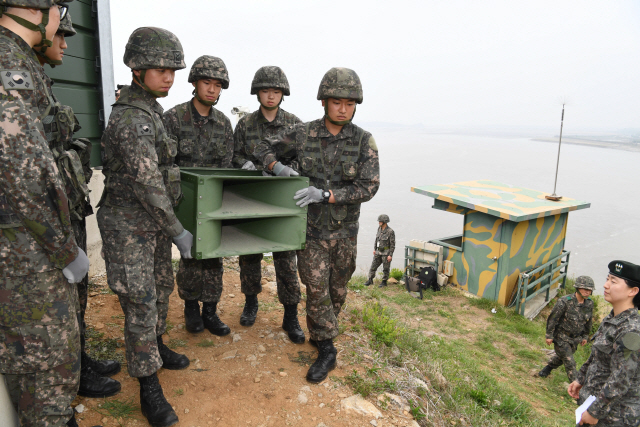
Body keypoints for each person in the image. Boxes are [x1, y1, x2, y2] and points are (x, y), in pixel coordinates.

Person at [254, 67, 380, 383]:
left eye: (349, 104)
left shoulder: (364, 141)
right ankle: (326, 348)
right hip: (310, 232)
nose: (343, 109)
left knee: (337, 290)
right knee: (316, 288)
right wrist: (278, 167)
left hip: (345, 234)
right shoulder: (303, 134)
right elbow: (262, 148)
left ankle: (322, 331)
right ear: (324, 101)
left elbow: (369, 187)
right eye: (337, 102)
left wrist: (326, 194)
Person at [97, 27, 193, 427]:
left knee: (160, 288)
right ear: (137, 69)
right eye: (160, 68)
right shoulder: (132, 118)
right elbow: (148, 184)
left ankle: (155, 345)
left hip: (150, 226)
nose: (169, 75)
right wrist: (178, 230)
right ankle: (148, 385)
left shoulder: (151, 109)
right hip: (130, 225)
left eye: (173, 68)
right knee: (140, 303)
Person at [0, 1, 89, 426]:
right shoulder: (8, 66)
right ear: (37, 11)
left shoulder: (21, 64)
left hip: (29, 242)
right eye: (58, 10)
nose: (62, 27)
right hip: (26, 249)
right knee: (45, 362)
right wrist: (65, 248)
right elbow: (23, 175)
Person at [35, 9, 122, 399]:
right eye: (61, 37)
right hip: (45, 221)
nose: (66, 44)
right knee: (59, 307)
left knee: (79, 297)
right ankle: (72, 376)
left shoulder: (43, 84)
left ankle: (81, 360)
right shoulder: (20, 84)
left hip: (67, 209)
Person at [231, 66, 305, 343]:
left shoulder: (295, 124)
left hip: (282, 201)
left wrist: (282, 167)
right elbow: (234, 156)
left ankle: (290, 314)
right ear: (257, 92)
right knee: (249, 254)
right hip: (251, 197)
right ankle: (251, 302)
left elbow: (304, 160)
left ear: (282, 94)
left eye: (276, 91)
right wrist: (245, 164)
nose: (271, 96)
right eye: (265, 90)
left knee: (286, 259)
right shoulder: (246, 124)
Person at [163, 55, 234, 337]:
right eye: (207, 83)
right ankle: (191, 307)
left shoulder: (224, 124)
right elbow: (164, 165)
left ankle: (210, 310)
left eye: (217, 85)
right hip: (184, 203)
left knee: (214, 256)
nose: (212, 90)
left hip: (214, 203)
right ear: (194, 82)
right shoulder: (172, 118)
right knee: (190, 257)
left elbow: (227, 167)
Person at [568, 261, 640, 426]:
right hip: (594, 404)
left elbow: (621, 378)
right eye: (608, 279)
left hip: (615, 416)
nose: (605, 285)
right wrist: (581, 379)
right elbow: (596, 356)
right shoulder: (612, 318)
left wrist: (595, 412)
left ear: (633, 291)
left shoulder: (632, 330)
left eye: (613, 281)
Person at [537, 276, 594, 381]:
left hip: (575, 340)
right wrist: (549, 335)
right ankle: (576, 388)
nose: (588, 292)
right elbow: (553, 319)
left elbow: (588, 321)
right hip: (561, 337)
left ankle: (548, 368)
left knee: (561, 357)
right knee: (570, 362)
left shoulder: (589, 304)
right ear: (577, 288)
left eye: (590, 290)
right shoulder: (565, 301)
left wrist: (585, 336)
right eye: (585, 289)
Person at [364, 214, 395, 288]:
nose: (379, 222)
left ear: (385, 222)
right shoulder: (379, 229)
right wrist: (374, 249)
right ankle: (370, 280)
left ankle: (384, 282)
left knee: (386, 268)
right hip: (378, 252)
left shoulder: (390, 231)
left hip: (386, 253)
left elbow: (392, 244)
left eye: (380, 221)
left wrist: (390, 255)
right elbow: (376, 239)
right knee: (373, 266)